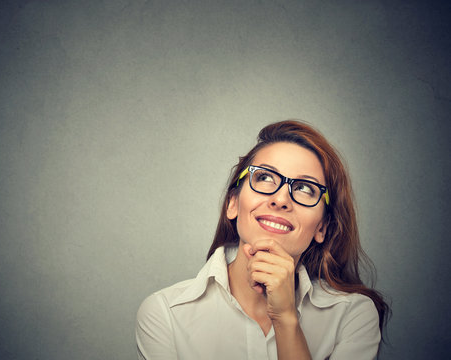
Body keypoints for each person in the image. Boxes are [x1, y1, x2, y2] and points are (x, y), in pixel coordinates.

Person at [136, 120, 390, 360]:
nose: (280, 199)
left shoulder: (352, 316)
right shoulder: (165, 313)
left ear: (321, 227)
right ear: (233, 204)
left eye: (304, 188)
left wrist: (286, 318)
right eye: (265, 177)